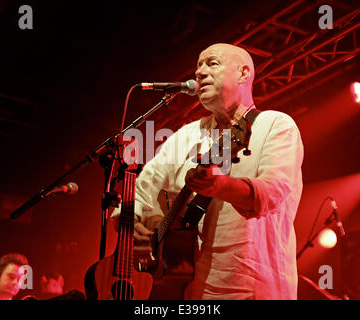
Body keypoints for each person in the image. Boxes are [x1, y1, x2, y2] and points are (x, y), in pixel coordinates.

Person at [116, 43, 304, 299]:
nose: (199, 72)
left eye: (211, 63)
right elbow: (139, 196)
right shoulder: (187, 135)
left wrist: (220, 186)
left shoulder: (276, 125)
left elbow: (272, 194)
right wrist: (134, 232)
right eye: (197, 67)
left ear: (243, 73)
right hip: (195, 291)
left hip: (257, 288)